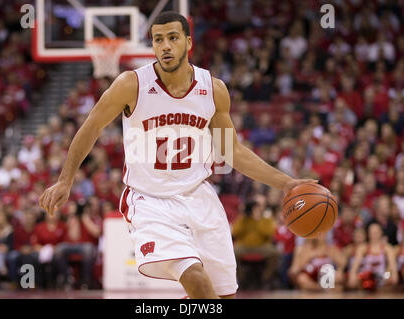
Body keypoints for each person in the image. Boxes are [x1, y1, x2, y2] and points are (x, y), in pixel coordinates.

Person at [39, 11, 318, 299]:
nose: (165, 46)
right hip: (151, 201)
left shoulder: (213, 90)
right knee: (196, 279)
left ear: (188, 42)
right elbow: (92, 126)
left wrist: (287, 184)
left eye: (172, 38)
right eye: (158, 40)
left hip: (199, 198)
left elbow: (231, 151)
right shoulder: (131, 85)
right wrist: (65, 179)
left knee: (222, 297)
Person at [232, 197, 281, 289]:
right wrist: (243, 216)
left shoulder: (267, 218)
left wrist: (258, 219)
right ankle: (243, 279)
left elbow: (268, 233)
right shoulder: (244, 218)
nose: (256, 208)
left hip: (262, 246)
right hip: (244, 246)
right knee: (232, 253)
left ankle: (265, 279)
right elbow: (235, 232)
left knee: (275, 253)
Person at [347, 222, 398, 291]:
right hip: (365, 278)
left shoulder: (387, 248)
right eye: (372, 233)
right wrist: (352, 274)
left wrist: (393, 274)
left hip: (381, 277)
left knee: (393, 279)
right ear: (368, 234)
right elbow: (355, 265)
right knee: (353, 279)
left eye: (376, 232)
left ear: (381, 233)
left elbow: (392, 264)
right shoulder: (363, 248)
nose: (374, 235)